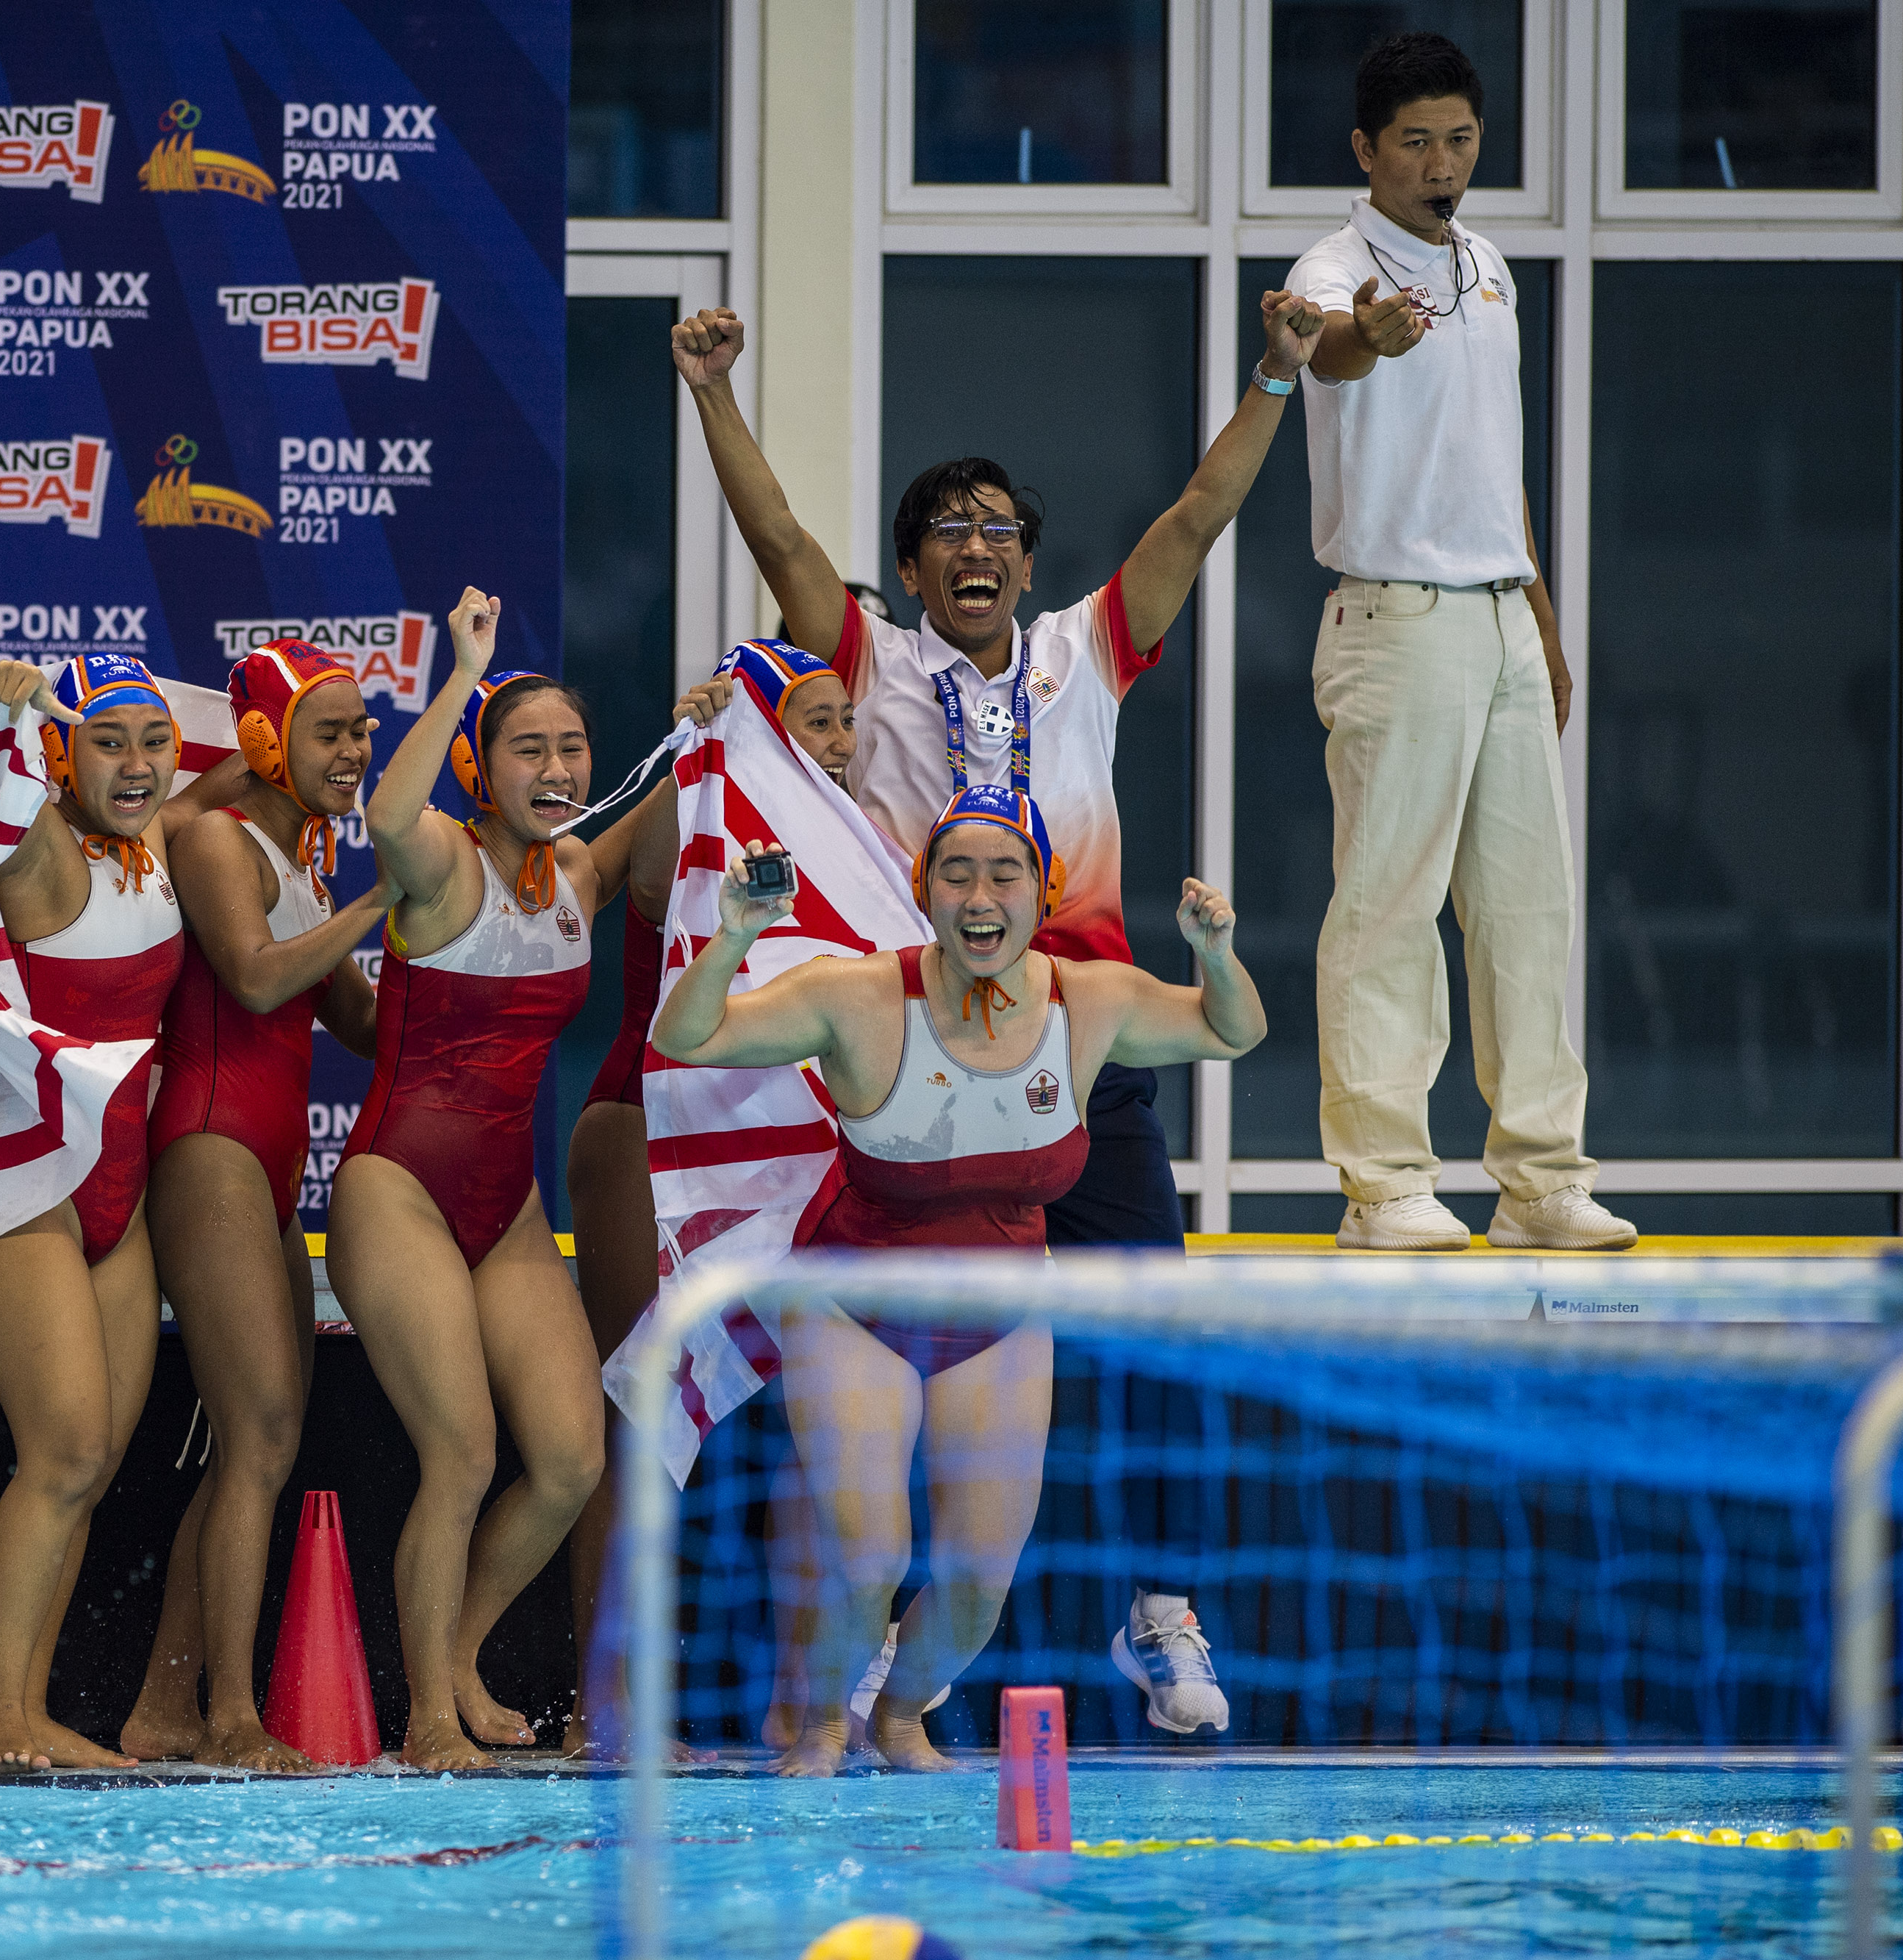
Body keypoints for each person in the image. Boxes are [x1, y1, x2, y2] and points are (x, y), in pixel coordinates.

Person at [674, 297, 1319, 1729]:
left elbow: (1198, 517)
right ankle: (843, 1645)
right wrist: (713, 392)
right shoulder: (871, 664)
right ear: (910, 570)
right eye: (947, 532)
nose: (977, 547)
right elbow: (780, 539)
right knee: (871, 1372)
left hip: (1074, 1050)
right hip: (915, 1063)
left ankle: (1159, 1605)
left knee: (1151, 1329)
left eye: (1000, 530)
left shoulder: (1087, 652)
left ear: (1027, 561)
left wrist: (1276, 378)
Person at [650, 787, 1266, 1773]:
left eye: (1004, 873)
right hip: (856, 1305)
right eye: (958, 873)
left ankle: (900, 1715)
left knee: (980, 1579)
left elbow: (1231, 1031)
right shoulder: (855, 994)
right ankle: (820, 1724)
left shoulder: (1089, 1001)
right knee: (871, 1557)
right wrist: (733, 935)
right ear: (923, 886)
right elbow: (688, 1037)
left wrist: (1218, 953)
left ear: (1043, 890)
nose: (981, 897)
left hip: (998, 1312)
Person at [1290, 31, 1634, 1254]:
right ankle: (1384, 1182)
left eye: (1461, 139)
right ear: (1365, 149)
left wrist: (1538, 605)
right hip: (1396, 616)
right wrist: (1369, 338)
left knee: (1530, 910)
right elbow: (1334, 348)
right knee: (1389, 907)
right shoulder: (1333, 270)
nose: (1442, 164)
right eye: (1416, 142)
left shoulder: (1488, 265)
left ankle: (1540, 1179)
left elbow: (1496, 454)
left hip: (1499, 613)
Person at [327, 586, 628, 1770]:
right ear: (481, 766)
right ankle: (429, 1717)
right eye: (529, 749)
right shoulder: (443, 860)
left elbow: (676, 800)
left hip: (508, 1205)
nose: (556, 769)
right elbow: (385, 809)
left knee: (569, 1458)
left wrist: (726, 722)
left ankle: (455, 1653)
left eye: (572, 748)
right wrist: (462, 673)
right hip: (398, 1187)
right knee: (461, 1452)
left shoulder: (581, 874)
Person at [563, 637, 856, 1756]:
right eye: (816, 721)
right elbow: (646, 885)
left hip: (791, 1162)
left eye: (847, 720)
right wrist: (701, 748)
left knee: (817, 1431)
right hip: (650, 1131)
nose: (840, 742)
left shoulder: (858, 849)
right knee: (638, 1417)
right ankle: (609, 1706)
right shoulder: (701, 808)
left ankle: (801, 1705)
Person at [117, 642, 390, 1770]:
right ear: (269, 743)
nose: (355, 749)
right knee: (262, 1433)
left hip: (269, 1170)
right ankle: (231, 1714)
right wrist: (380, 898)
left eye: (363, 728)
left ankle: (165, 1704)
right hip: (211, 1148)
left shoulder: (301, 857)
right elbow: (260, 972)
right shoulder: (218, 840)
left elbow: (362, 1024)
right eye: (329, 731)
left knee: (256, 1442)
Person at [0, 651, 191, 1770]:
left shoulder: (162, 834)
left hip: (116, 1186)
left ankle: (30, 1705)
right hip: (19, 1176)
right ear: (60, 754)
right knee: (66, 1447)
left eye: (154, 740)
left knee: (92, 1465)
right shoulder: (36, 842)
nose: (136, 764)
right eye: (108, 742)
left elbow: (269, 763)